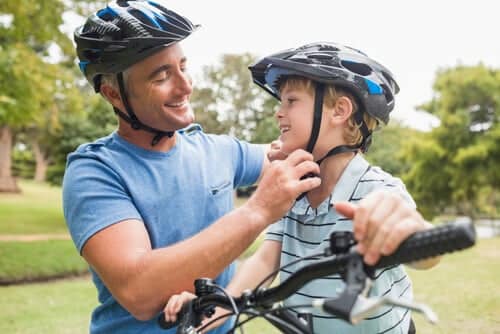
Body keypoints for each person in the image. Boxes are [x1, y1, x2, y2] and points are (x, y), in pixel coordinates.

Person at [62, 1, 321, 333]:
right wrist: (258, 211)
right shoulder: (95, 172)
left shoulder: (218, 151)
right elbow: (139, 291)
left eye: (183, 66)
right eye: (162, 76)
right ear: (114, 93)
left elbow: (299, 152)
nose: (185, 86)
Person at [164, 42, 440, 333]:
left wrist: (408, 229)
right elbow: (266, 258)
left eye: (291, 101)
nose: (278, 113)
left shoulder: (377, 190)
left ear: (339, 111)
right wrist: (218, 309)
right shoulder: (294, 190)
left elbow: (426, 256)